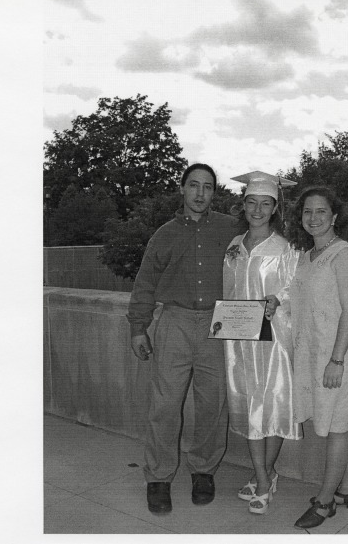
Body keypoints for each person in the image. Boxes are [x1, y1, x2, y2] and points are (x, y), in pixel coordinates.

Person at [126, 163, 241, 515]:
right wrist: (138, 327)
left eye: (207, 187)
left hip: (218, 324)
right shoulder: (164, 233)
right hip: (174, 321)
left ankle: (203, 470)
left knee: (212, 403)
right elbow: (145, 282)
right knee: (164, 405)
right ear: (182, 189)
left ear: (214, 192)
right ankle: (158, 477)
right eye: (194, 185)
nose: (200, 193)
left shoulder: (232, 229)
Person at [221, 171, 302, 515]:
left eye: (265, 203)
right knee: (251, 407)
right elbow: (228, 292)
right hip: (240, 340)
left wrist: (277, 300)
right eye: (251, 202)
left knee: (274, 408)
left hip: (274, 340)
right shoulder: (234, 246)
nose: (257, 209)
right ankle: (264, 474)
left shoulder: (286, 249)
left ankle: (264, 481)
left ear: (274, 208)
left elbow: (296, 290)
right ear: (244, 205)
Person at [286, 185, 348, 530]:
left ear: (334, 216)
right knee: (339, 423)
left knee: (335, 427)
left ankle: (325, 501)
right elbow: (301, 301)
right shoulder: (308, 256)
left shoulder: (345, 254)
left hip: (338, 354)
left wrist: (336, 360)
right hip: (314, 352)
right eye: (307, 212)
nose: (313, 217)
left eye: (321, 211)